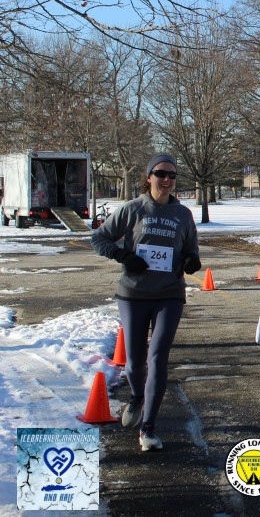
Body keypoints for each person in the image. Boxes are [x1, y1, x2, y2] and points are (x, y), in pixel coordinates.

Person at [91, 154, 200, 452]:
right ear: (149, 177)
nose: (167, 180)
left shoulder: (183, 214)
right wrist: (123, 256)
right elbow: (99, 238)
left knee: (158, 357)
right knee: (135, 361)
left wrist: (191, 260)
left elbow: (191, 248)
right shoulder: (133, 209)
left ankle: (149, 427)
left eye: (172, 175)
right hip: (134, 294)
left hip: (169, 294)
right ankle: (137, 396)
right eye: (161, 173)